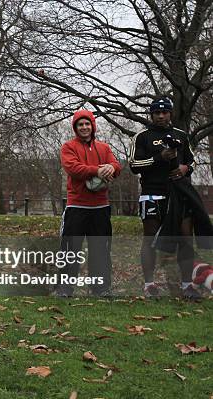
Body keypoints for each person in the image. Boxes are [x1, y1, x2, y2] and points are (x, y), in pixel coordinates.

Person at [129, 96, 202, 299]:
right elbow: (134, 165)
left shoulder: (181, 135)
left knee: (186, 238)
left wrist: (185, 168)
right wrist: (159, 157)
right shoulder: (142, 137)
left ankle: (187, 285)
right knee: (150, 239)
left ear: (170, 113)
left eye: (165, 112)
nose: (161, 116)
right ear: (151, 114)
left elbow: (193, 161)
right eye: (157, 113)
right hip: (152, 194)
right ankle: (149, 285)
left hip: (179, 194)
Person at [57, 109, 121, 297]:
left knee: (100, 250)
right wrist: (97, 171)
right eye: (80, 124)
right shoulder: (68, 147)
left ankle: (100, 288)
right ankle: (65, 288)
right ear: (75, 128)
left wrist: (111, 167)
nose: (84, 127)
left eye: (87, 124)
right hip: (77, 206)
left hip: (101, 207)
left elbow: (117, 166)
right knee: (71, 249)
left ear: (93, 126)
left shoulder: (104, 148)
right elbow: (73, 168)